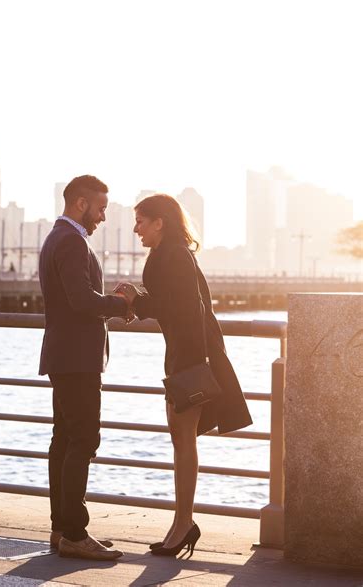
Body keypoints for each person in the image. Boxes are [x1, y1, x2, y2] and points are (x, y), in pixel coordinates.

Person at [116, 194, 252, 558]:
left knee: (183, 441)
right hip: (185, 356)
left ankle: (183, 524)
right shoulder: (173, 253)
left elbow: (185, 308)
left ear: (160, 222)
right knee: (182, 441)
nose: (136, 228)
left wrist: (135, 300)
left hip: (187, 360)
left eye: (141, 221)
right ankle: (182, 523)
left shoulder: (172, 255)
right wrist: (139, 298)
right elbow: (175, 304)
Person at [38, 175, 131, 561]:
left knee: (64, 439)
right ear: (81, 203)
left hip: (63, 355)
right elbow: (81, 299)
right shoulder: (72, 241)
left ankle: (62, 529)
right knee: (83, 440)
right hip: (77, 359)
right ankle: (75, 533)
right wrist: (120, 303)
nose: (103, 216)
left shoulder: (57, 238)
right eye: (101, 207)